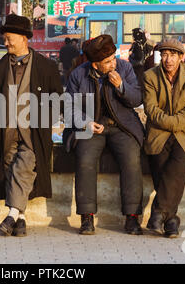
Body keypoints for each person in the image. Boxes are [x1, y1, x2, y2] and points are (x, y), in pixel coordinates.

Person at [0, 14, 63, 237]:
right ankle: (20, 217)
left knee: (25, 164)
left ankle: (10, 215)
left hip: (33, 132)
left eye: (9, 38)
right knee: (9, 166)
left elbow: (57, 100)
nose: (5, 42)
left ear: (23, 38)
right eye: (5, 38)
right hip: (4, 131)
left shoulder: (46, 67)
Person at [63, 34, 145, 236]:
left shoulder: (124, 68)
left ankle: (132, 217)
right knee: (84, 159)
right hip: (91, 127)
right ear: (95, 65)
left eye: (113, 58)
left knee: (132, 159)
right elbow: (68, 107)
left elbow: (136, 99)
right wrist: (86, 122)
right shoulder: (78, 75)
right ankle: (87, 216)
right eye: (107, 62)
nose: (113, 63)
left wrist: (121, 87)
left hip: (121, 126)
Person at [143, 38, 185, 238]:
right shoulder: (150, 76)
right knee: (161, 171)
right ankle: (171, 221)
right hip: (159, 132)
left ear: (180, 57)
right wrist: (169, 123)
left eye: (172, 55)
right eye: (164, 55)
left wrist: (175, 123)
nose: (168, 60)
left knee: (176, 169)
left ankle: (158, 213)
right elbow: (150, 108)